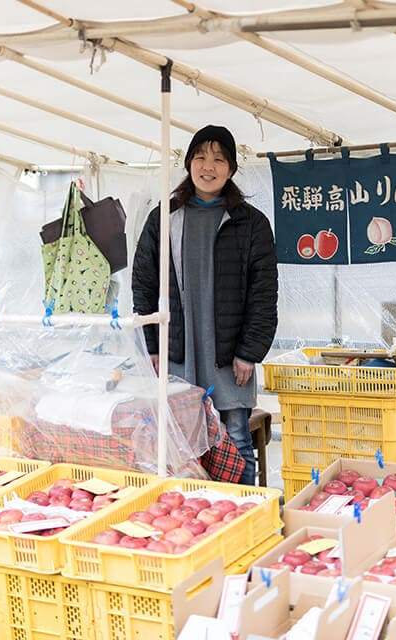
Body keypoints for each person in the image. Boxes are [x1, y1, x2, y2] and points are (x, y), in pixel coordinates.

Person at [132, 125, 279, 485]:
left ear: (230, 168)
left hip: (229, 357)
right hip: (179, 353)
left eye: (218, 159)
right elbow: (144, 283)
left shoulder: (251, 223)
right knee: (182, 446)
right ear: (188, 164)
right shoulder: (164, 217)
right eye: (200, 157)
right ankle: (201, 516)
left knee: (236, 440)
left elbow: (264, 293)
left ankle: (245, 518)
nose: (208, 166)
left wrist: (249, 352)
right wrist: (152, 345)